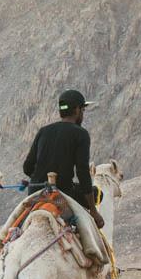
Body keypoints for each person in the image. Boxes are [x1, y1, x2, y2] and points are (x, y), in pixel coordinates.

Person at [23, 88, 103, 228]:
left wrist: (42, 177)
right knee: (97, 194)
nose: (82, 114)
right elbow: (82, 172)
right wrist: (94, 211)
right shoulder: (80, 134)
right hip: (62, 192)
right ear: (77, 110)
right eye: (83, 110)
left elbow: (27, 167)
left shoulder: (44, 131)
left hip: (35, 191)